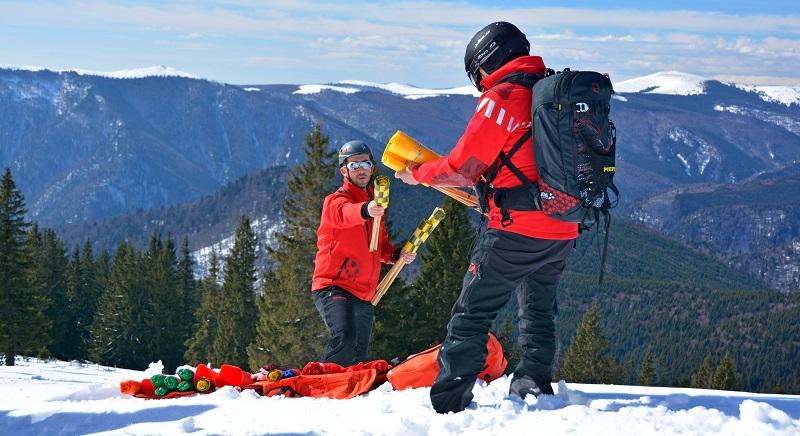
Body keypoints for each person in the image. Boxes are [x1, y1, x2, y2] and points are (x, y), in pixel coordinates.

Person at [395, 22, 577, 413]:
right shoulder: (552, 90)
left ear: (486, 61)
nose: (478, 82)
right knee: (540, 309)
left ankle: (449, 402)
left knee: (471, 313)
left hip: (515, 228)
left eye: (476, 73)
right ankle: (532, 380)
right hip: (564, 225)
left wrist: (418, 174)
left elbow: (463, 167)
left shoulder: (504, 96)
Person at [312, 140, 416, 366]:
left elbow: (380, 247)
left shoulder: (376, 207)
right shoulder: (335, 201)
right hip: (333, 286)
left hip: (364, 295)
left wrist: (397, 255)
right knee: (344, 338)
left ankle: (349, 394)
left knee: (357, 355)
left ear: (372, 168)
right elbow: (344, 214)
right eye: (354, 166)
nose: (360, 170)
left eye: (365, 164)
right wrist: (366, 210)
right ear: (344, 171)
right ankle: (321, 386)